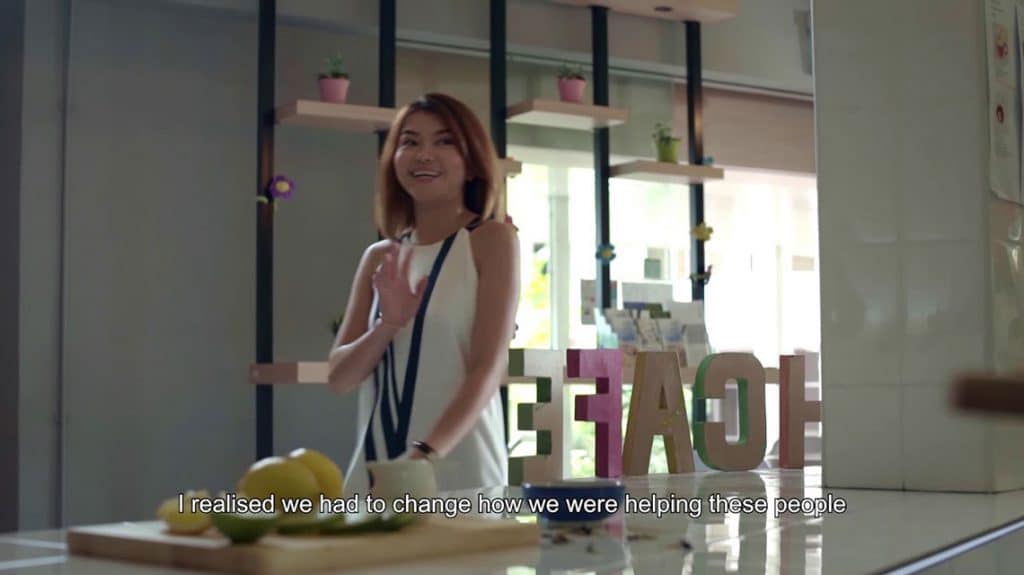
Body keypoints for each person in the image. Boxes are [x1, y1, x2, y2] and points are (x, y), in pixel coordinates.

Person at [326, 93, 520, 495]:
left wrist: (424, 456)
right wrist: (388, 324)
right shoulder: (379, 256)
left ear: (472, 162)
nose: (424, 155)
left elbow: (487, 368)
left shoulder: (491, 240)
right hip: (376, 472)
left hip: (460, 470)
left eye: (444, 141)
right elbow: (340, 377)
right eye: (410, 142)